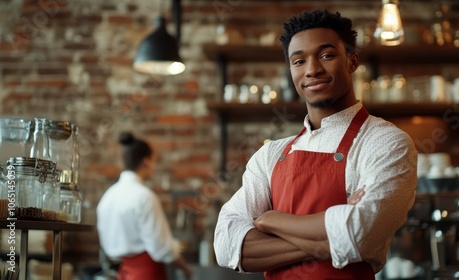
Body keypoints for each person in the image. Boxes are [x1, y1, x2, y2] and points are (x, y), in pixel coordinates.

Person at [213, 9, 417, 280]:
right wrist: (328, 241)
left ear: (352, 61)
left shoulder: (385, 142)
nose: (312, 70)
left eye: (326, 55)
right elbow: (226, 245)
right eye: (298, 61)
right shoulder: (270, 154)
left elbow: (360, 235)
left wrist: (270, 221)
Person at [97, 132, 192, 280]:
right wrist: (187, 269)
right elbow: (162, 249)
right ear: (146, 161)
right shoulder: (145, 197)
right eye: (154, 161)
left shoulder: (107, 197)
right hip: (147, 274)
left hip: (124, 273)